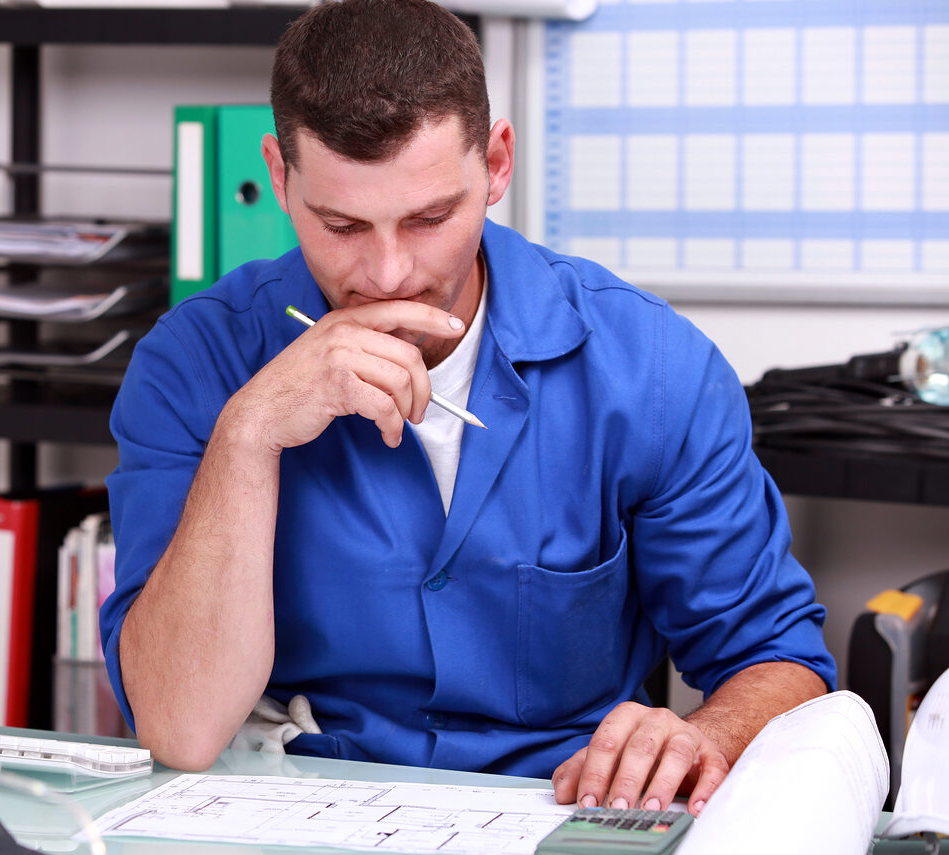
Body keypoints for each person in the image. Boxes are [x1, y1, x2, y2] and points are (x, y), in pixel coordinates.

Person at [100, 0, 835, 817]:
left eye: (428, 218)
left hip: (560, 811)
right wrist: (248, 434)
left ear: (497, 163)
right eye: (341, 224)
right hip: (293, 812)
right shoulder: (192, 363)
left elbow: (781, 659)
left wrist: (709, 734)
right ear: (279, 176)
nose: (385, 274)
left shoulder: (651, 369)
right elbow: (179, 727)